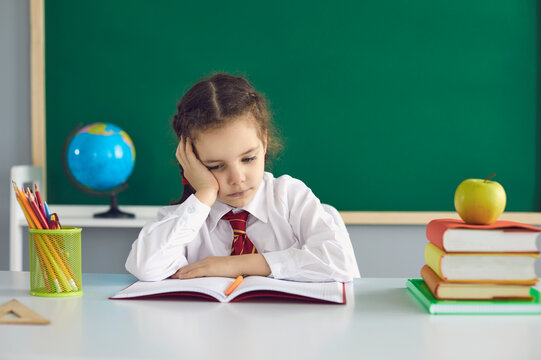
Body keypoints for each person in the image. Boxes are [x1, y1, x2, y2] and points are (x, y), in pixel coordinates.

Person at [125, 73, 360, 282]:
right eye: (216, 166)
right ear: (192, 162)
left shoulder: (289, 197)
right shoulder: (187, 218)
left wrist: (234, 265)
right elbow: (145, 267)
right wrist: (205, 195)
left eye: (248, 159)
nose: (237, 178)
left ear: (264, 142)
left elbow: (340, 263)